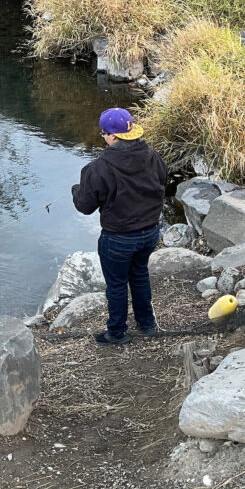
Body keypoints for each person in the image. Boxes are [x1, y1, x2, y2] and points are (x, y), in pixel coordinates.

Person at [72, 108, 167, 345]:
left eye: (103, 133)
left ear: (113, 136)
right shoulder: (152, 155)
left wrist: (76, 190)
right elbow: (162, 180)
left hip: (118, 239)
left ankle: (116, 332)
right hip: (149, 232)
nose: (103, 137)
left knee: (116, 285)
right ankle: (147, 324)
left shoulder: (98, 168)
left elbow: (85, 206)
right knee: (139, 275)